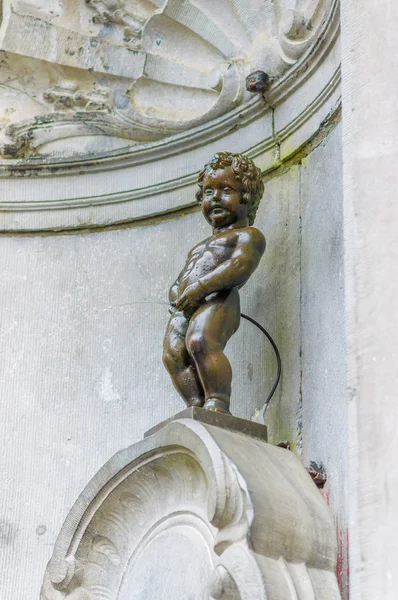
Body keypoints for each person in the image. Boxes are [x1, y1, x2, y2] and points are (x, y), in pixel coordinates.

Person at [163, 152, 265, 414]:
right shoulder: (198, 247)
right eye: (208, 192)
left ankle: (217, 402)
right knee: (174, 353)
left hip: (219, 300)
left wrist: (200, 289)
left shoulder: (248, 235)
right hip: (187, 305)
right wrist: (176, 292)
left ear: (246, 196)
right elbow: (183, 275)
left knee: (200, 342)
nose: (215, 198)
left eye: (226, 190)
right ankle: (195, 405)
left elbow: (239, 266)